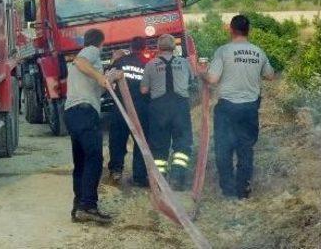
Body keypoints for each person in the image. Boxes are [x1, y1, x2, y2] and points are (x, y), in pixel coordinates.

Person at [199, 14, 275, 199]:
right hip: (250, 108)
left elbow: (213, 79)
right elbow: (270, 75)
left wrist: (202, 72)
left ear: (231, 30)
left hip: (227, 108)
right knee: (246, 148)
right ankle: (243, 189)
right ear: (248, 30)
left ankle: (228, 190)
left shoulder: (223, 51)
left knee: (224, 148)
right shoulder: (259, 52)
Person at [64, 28, 113, 224]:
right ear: (101, 43)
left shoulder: (88, 68)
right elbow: (80, 61)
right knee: (94, 158)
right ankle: (89, 205)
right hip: (84, 112)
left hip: (73, 113)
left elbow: (98, 90)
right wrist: (101, 76)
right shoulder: (91, 51)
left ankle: (79, 206)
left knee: (82, 161)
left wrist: (108, 80)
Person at [141, 34, 194, 191]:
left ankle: (160, 181)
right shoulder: (184, 63)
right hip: (180, 106)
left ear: (158, 48)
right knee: (183, 143)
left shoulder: (150, 64)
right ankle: (177, 178)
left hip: (159, 108)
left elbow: (143, 90)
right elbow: (191, 80)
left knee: (158, 145)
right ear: (174, 47)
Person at [107, 36, 150, 187]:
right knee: (140, 142)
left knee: (117, 140)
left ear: (131, 47)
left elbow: (107, 80)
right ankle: (139, 177)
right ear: (145, 48)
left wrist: (113, 60)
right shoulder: (148, 64)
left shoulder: (121, 62)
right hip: (141, 110)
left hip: (120, 109)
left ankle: (116, 171)